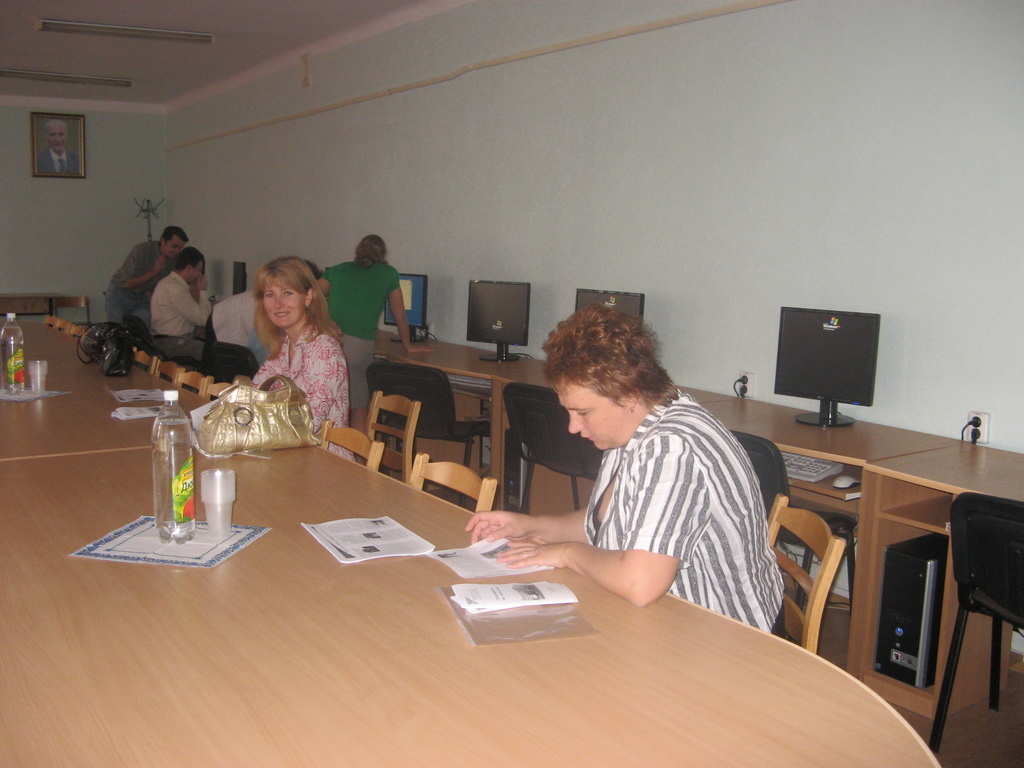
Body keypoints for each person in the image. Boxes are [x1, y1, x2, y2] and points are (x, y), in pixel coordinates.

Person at [465, 305, 784, 632]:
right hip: (664, 618)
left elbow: (640, 583)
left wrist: (564, 553)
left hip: (727, 637)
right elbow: (609, 523)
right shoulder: (638, 423)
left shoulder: (672, 447)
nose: (573, 427)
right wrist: (531, 527)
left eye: (583, 412)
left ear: (628, 394)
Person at [319, 234, 430, 433]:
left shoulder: (337, 270)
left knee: (327, 400)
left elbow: (309, 298)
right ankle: (357, 451)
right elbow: (399, 314)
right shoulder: (388, 273)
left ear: (358, 252)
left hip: (327, 342)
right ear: (383, 254)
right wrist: (408, 345)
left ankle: (327, 445)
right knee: (359, 405)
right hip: (357, 346)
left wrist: (326, 321)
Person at [253, 256, 350, 441]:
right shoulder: (283, 345)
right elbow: (254, 394)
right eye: (270, 295)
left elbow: (307, 423)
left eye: (287, 293)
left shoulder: (325, 351)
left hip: (321, 455)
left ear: (308, 296)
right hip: (283, 446)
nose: (278, 304)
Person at [105, 226, 188, 325]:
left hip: (142, 295)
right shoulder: (142, 250)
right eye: (174, 246)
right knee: (117, 329)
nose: (177, 251)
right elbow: (128, 284)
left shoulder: (175, 259)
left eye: (180, 248)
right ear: (163, 241)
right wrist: (154, 272)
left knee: (144, 328)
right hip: (120, 294)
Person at [150, 246, 210, 361]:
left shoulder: (165, 282)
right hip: (172, 343)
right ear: (189, 269)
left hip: (161, 340)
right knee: (211, 352)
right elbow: (203, 319)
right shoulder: (177, 290)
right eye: (199, 270)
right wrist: (203, 291)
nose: (200, 275)